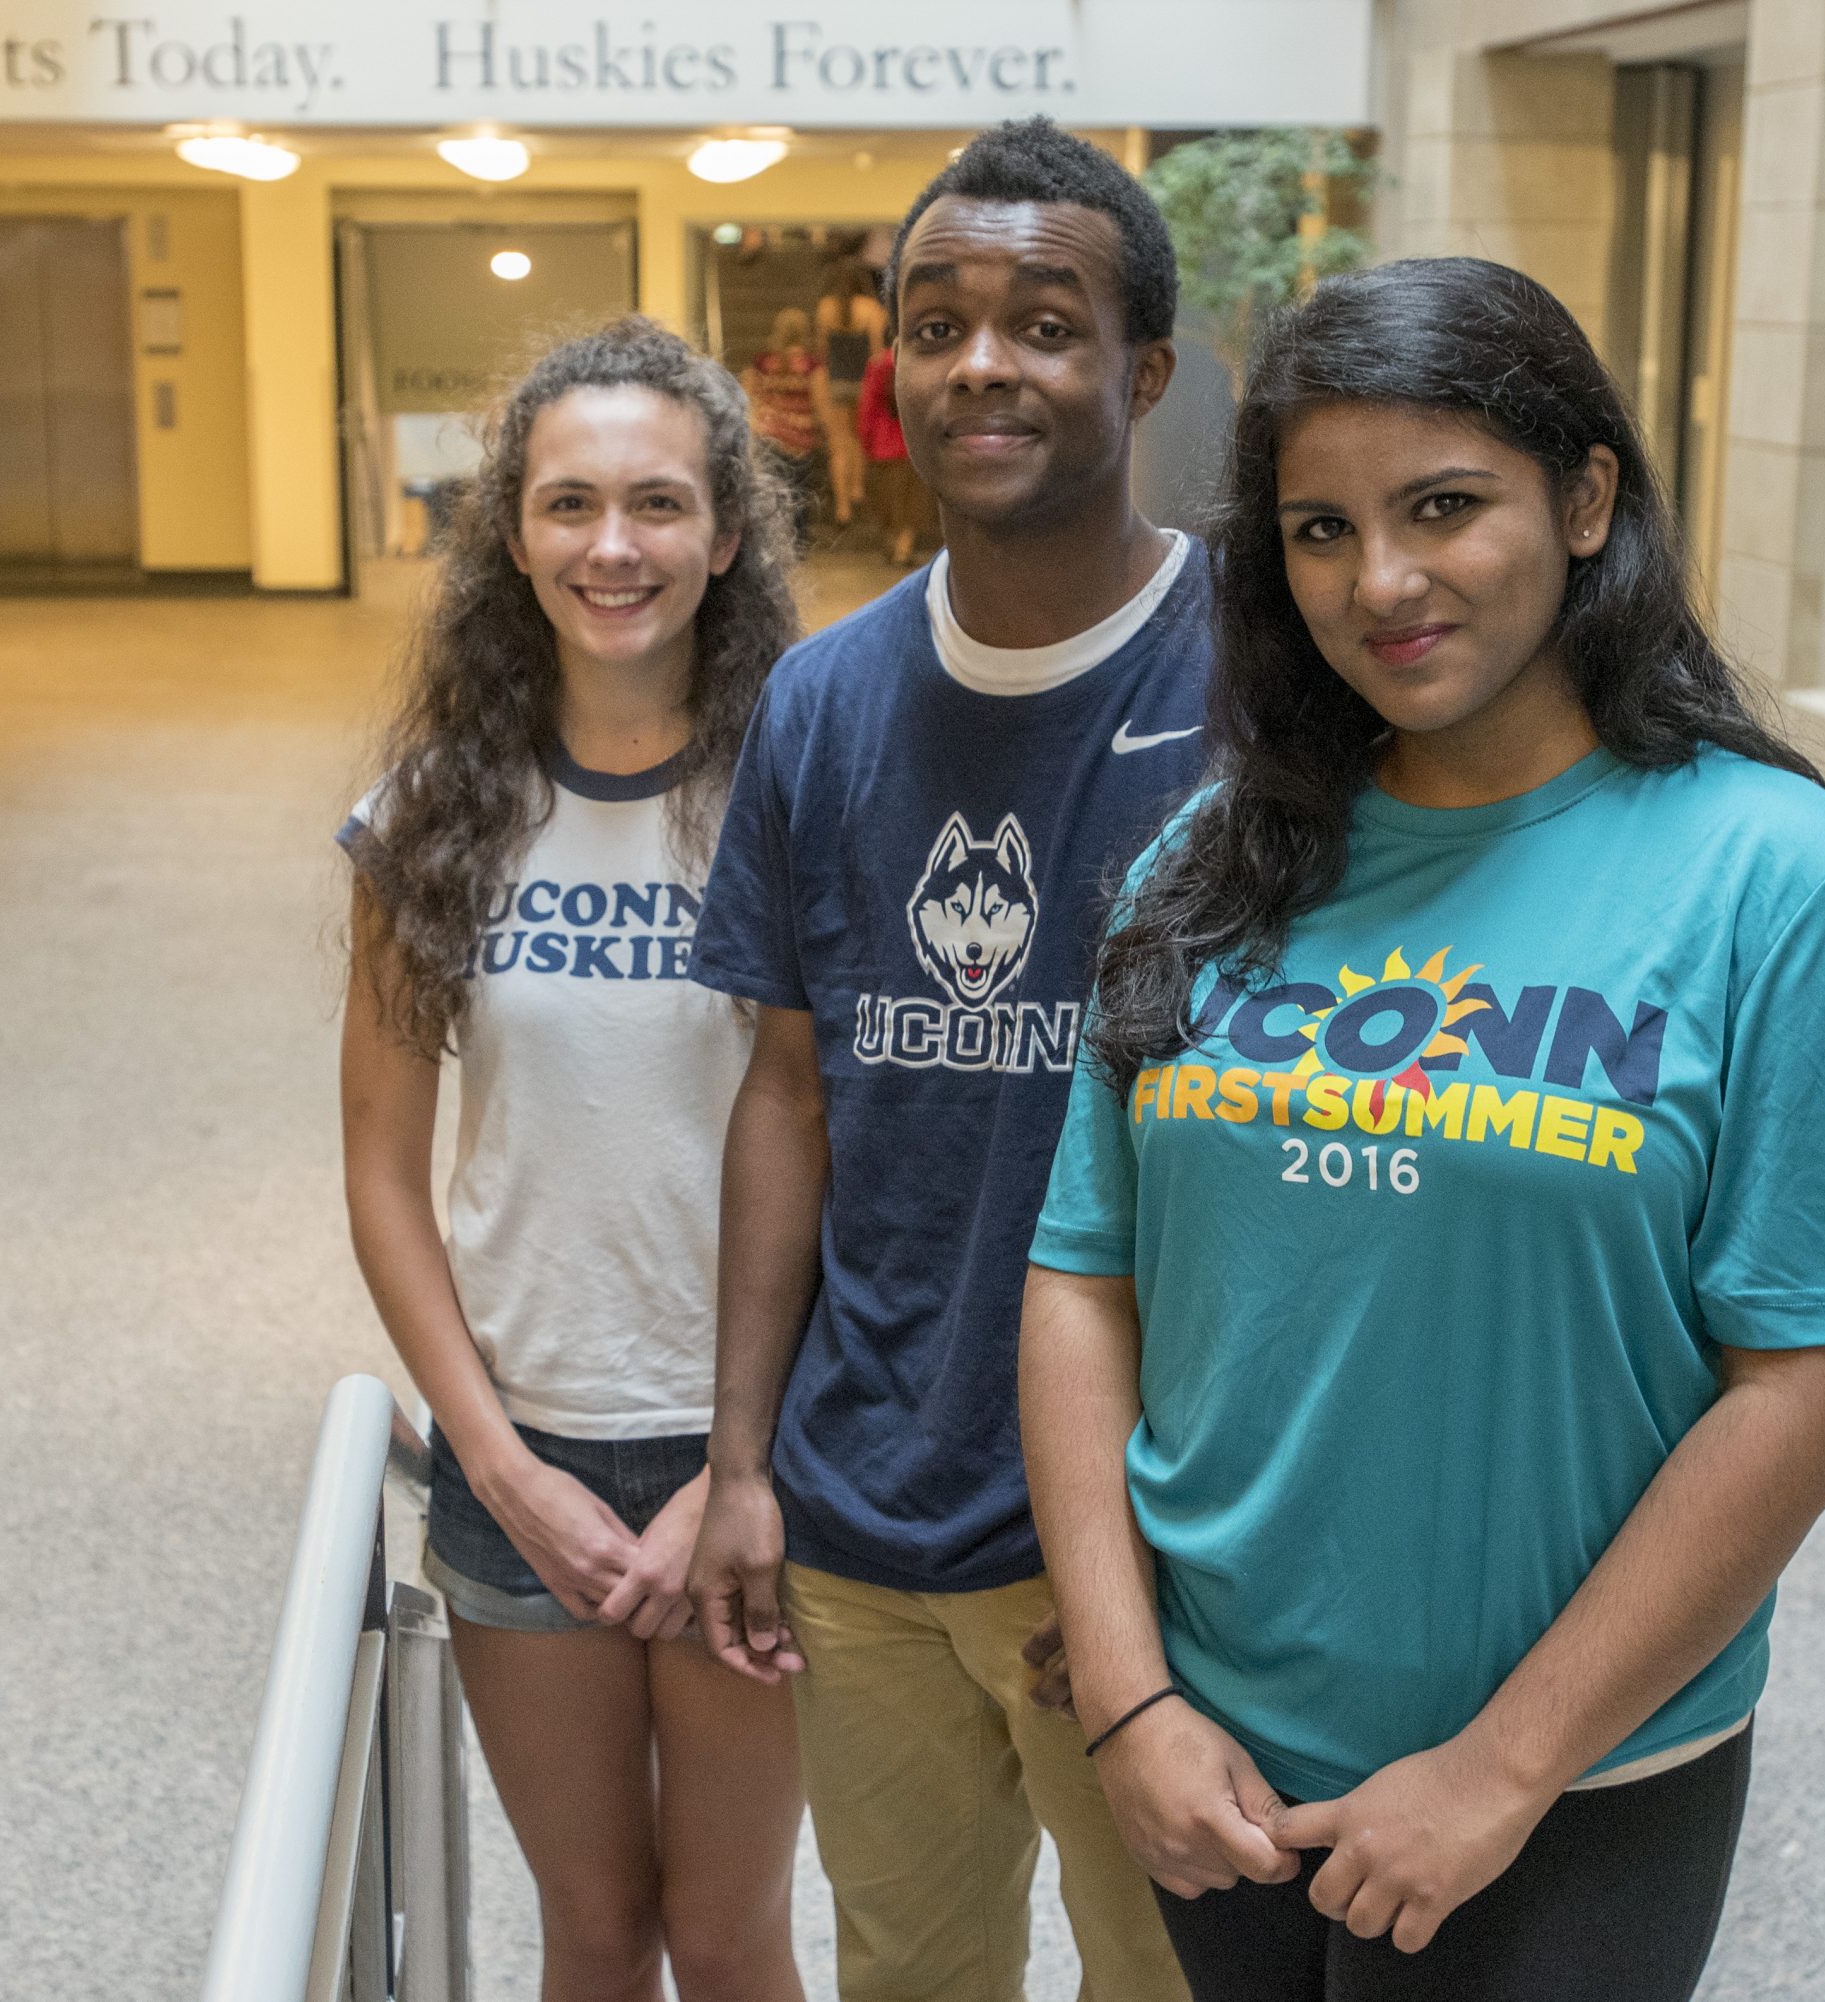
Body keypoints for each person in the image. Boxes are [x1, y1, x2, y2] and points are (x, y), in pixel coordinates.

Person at [1020, 258, 1825, 2001]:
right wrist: (1133, 1692)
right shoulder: (1208, 865)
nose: (1381, 582)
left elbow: (1808, 1382)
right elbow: (1085, 1275)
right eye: (1318, 529)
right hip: (1220, 1764)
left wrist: (1503, 1764)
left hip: (1574, 1784)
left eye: (1446, 507)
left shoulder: (1781, 879)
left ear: (1588, 496)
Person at [681, 119, 1207, 2002]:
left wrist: (1183, 1542)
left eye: (1046, 322)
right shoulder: (822, 700)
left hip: (1143, 1545)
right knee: (909, 1974)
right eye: (939, 321)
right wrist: (744, 1457)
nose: (983, 361)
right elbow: (787, 1093)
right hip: (865, 1524)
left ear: (1143, 368)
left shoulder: (1261, 689)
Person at [337, 317, 807, 2002]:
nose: (614, 547)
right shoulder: (436, 811)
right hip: (517, 1452)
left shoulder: (799, 791)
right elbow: (385, 1172)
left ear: (727, 533)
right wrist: (501, 1463)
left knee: (732, 1930)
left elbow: (856, 1157)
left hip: (745, 1462)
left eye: (660, 504)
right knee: (594, 1930)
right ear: (514, 533)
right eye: (570, 504)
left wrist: (739, 1467)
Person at [815, 256, 890, 529]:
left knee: (839, 443)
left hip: (836, 381)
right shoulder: (870, 308)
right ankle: (857, 489)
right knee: (859, 440)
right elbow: (876, 353)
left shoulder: (825, 308)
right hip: (863, 382)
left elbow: (822, 350)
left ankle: (842, 507)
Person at [854, 343, 933, 566]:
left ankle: (892, 545)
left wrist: (866, 437)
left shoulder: (877, 365)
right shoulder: (919, 361)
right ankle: (903, 549)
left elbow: (868, 404)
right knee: (912, 502)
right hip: (913, 443)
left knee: (887, 502)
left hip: (883, 443)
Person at [745, 307, 827, 521]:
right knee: (798, 492)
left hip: (768, 433)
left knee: (771, 491)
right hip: (801, 438)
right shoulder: (811, 365)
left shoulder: (763, 362)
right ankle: (797, 542)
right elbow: (820, 402)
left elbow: (748, 394)